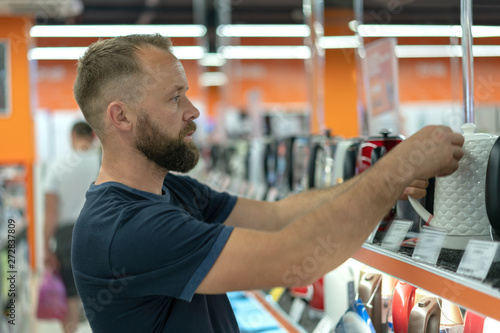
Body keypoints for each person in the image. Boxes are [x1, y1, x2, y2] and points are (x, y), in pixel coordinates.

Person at [71, 34, 464, 333]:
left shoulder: (171, 191)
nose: (193, 111)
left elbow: (276, 215)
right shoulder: (125, 230)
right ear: (121, 117)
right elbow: (292, 260)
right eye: (175, 99)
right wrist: (396, 169)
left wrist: (388, 180)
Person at [43, 121, 100, 333]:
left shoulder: (57, 166)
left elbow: (51, 212)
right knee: (103, 293)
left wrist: (45, 247)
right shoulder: (103, 162)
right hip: (98, 231)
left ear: (72, 136)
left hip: (68, 237)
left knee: (70, 298)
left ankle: (71, 328)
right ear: (93, 136)